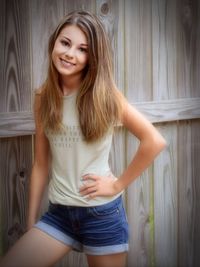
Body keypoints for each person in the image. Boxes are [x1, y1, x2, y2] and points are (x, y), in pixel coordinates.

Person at [0, 10, 166, 267]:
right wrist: (32, 223)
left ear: (92, 57)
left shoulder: (106, 96)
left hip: (101, 215)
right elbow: (41, 164)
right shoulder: (43, 97)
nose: (69, 54)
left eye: (82, 49)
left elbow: (154, 141)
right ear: (54, 42)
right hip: (59, 214)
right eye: (65, 43)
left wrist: (117, 184)